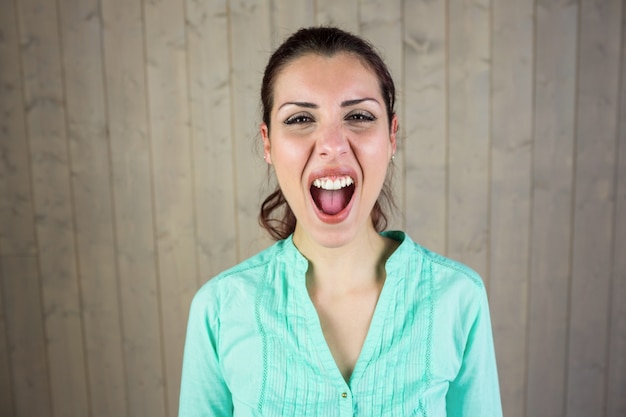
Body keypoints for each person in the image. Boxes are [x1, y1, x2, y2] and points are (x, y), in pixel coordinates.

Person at [179, 26, 502, 417]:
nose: (332, 144)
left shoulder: (459, 298)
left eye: (359, 116)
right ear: (267, 143)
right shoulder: (219, 310)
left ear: (392, 136)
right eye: (300, 118)